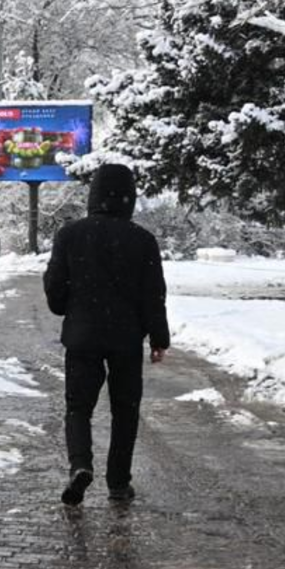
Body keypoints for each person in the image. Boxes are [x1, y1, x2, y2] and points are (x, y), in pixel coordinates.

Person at [44, 163, 170, 505]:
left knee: (78, 408)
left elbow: (55, 288)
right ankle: (118, 481)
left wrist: (68, 306)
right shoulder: (142, 240)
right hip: (126, 339)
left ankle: (80, 465)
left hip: (82, 336)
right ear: (130, 196)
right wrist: (158, 338)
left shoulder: (70, 235)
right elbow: (153, 295)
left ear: (94, 194)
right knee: (125, 410)